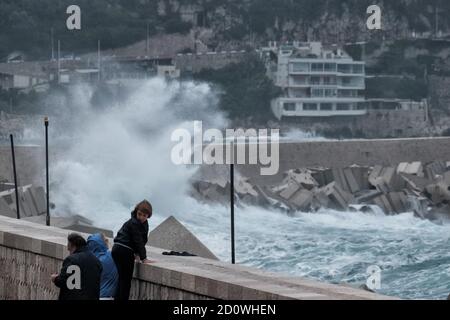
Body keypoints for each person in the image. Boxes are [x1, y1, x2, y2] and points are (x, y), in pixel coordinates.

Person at [112, 200, 154, 300]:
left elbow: (142, 240)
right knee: (125, 282)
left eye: (145, 215)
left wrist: (137, 253)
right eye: (139, 214)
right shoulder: (134, 223)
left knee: (121, 280)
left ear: (148, 216)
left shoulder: (139, 223)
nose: (142, 217)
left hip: (117, 249)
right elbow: (138, 240)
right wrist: (144, 258)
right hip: (123, 250)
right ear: (136, 212)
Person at [51, 233, 103, 300]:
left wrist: (55, 278)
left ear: (73, 246)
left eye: (69, 249)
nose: (69, 253)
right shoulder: (96, 261)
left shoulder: (71, 260)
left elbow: (63, 281)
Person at [87, 233, 119, 300]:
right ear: (102, 243)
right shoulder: (111, 256)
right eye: (106, 240)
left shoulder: (88, 260)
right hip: (107, 296)